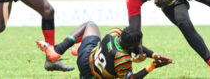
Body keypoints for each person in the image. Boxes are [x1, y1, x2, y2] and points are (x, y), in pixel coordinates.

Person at [36, 21, 173, 78]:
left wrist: (154, 54)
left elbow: (135, 48)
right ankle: (80, 46)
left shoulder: (114, 32)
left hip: (87, 55)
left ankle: (58, 50)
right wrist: (151, 65)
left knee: (90, 25)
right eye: (139, 44)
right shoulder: (123, 59)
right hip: (90, 75)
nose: (140, 46)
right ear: (131, 47)